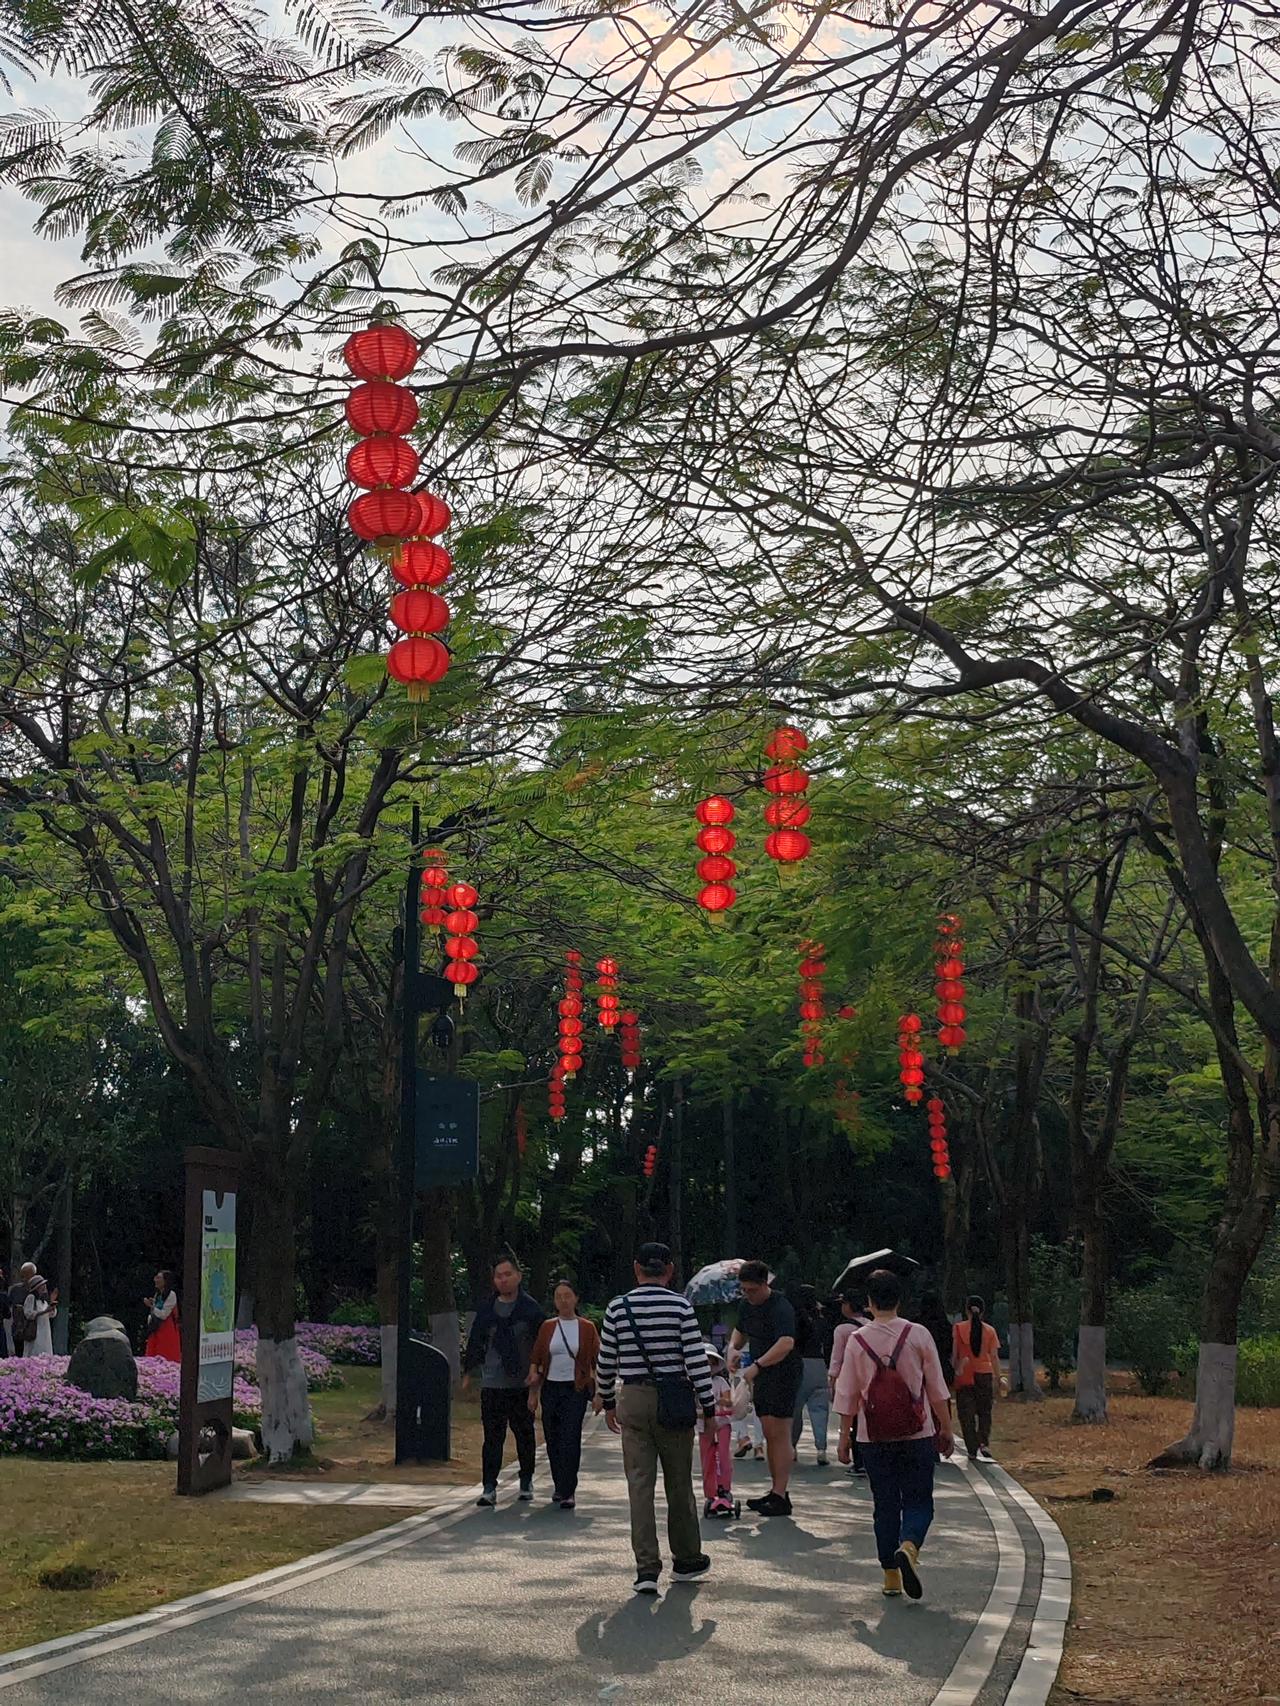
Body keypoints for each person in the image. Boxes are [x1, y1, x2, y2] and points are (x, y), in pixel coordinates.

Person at [595, 1241, 715, 1594]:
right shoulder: (680, 1306)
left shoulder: (618, 1307)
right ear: (669, 1270)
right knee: (679, 1482)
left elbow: (606, 1360)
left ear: (636, 1268)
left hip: (633, 1397)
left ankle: (646, 1568)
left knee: (639, 1485)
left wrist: (608, 1400)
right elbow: (696, 1360)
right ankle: (687, 1558)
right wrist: (708, 1407)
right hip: (674, 1401)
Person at [835, 1268, 953, 1600]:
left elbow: (847, 1393)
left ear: (869, 1302)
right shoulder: (918, 1334)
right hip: (917, 1434)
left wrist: (844, 1437)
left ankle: (890, 1576)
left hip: (873, 1438)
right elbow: (936, 1388)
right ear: (900, 1299)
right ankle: (910, 1546)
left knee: (885, 1505)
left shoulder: (857, 1340)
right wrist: (946, 1427)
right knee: (919, 1500)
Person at [462, 1254, 547, 1508]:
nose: (503, 1280)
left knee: (524, 1435)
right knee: (492, 1437)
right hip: (492, 1383)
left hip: (521, 1384)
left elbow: (541, 1346)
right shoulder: (487, 1309)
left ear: (518, 1276)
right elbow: (476, 1342)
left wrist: (537, 1379)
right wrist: (469, 1373)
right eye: (498, 1276)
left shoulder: (530, 1310)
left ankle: (526, 1480)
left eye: (508, 1274)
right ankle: (489, 1486)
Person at [728, 1259, 802, 1516]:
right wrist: (732, 1350)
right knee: (769, 1430)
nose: (748, 1295)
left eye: (752, 1290)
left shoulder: (780, 1306)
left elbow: (786, 1343)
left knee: (779, 1432)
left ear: (764, 1284)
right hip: (760, 1375)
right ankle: (775, 1491)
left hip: (783, 1373)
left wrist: (758, 1365)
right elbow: (739, 1332)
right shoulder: (746, 1306)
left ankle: (780, 1494)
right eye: (744, 1290)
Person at [527, 1278, 600, 1509]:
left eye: (567, 1295)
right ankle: (559, 1484)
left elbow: (598, 1361)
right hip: (551, 1387)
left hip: (575, 1389)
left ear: (576, 1298)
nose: (563, 1300)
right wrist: (533, 1393)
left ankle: (569, 1490)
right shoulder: (548, 1326)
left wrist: (600, 1393)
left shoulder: (586, 1327)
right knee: (553, 1438)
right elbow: (536, 1359)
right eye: (558, 1296)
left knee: (570, 1438)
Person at [952, 1296, 1001, 1462]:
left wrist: (955, 1370)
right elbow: (994, 1356)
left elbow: (955, 1355)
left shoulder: (958, 1328)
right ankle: (984, 1443)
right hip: (984, 1374)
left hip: (965, 1374)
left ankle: (972, 1448)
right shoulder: (990, 1331)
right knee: (984, 1411)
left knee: (966, 1414)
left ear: (966, 1310)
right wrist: (998, 1377)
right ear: (983, 1311)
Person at [789, 1283, 832, 1467]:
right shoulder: (821, 1319)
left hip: (799, 1365)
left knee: (795, 1410)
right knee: (820, 1410)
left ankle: (792, 1447)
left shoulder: (795, 1318)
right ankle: (821, 1449)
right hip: (819, 1365)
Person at [697, 1343, 736, 1517]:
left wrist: (722, 1402)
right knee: (707, 1459)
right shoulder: (695, 1384)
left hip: (721, 1424)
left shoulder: (720, 1382)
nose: (707, 1366)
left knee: (723, 1456)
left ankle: (724, 1489)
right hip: (704, 1426)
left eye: (710, 1362)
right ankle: (710, 1493)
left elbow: (728, 1400)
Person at [143, 1271, 182, 1362]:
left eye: (158, 1278)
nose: (155, 1280)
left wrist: (152, 1307)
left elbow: (164, 1315)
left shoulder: (171, 1295)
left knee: (166, 1355)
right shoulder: (158, 1295)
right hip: (156, 1329)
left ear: (165, 1281)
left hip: (167, 1330)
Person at [22, 1273, 57, 1356]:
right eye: (42, 1285)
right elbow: (28, 1314)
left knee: (45, 1350)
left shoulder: (44, 1301)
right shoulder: (31, 1298)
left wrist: (52, 1307)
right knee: (35, 1351)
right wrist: (44, 1312)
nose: (44, 1287)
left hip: (45, 1330)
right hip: (35, 1330)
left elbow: (51, 1315)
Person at [7, 1264, 34, 1356]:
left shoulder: (37, 1290)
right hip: (17, 1327)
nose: (25, 1278)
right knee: (19, 1354)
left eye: (28, 1275)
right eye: (23, 1275)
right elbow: (9, 1308)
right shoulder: (15, 1290)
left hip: (32, 1329)